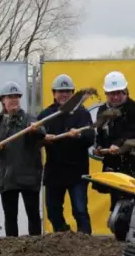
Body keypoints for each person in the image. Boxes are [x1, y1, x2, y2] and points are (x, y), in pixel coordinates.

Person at [0, 81, 45, 237]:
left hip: (29, 176)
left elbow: (42, 134)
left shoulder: (29, 119)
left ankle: (35, 248)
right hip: (7, 178)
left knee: (33, 215)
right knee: (10, 217)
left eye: (17, 97)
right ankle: (13, 250)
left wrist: (35, 130)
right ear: (2, 100)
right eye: (10, 97)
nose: (14, 100)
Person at [38, 74, 94, 234]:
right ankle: (63, 238)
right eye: (60, 91)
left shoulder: (82, 114)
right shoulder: (46, 115)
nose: (64, 95)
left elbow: (91, 137)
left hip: (77, 172)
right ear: (54, 93)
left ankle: (85, 244)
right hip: (54, 172)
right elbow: (34, 139)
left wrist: (79, 135)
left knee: (80, 210)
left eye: (68, 91)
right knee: (53, 211)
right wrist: (42, 139)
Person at [94, 71, 135, 211]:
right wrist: (99, 146)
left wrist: (118, 144)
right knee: (117, 205)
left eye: (119, 93)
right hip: (115, 168)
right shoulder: (103, 111)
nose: (115, 97)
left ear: (125, 91)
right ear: (106, 93)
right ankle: (120, 230)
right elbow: (100, 133)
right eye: (111, 94)